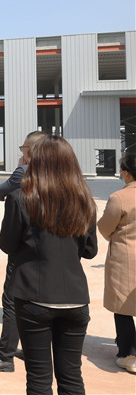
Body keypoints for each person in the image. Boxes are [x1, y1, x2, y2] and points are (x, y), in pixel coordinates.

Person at [0, 135, 97, 395]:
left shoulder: (20, 198)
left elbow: (7, 244)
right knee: (72, 378)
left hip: (34, 297)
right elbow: (90, 251)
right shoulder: (84, 199)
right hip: (75, 298)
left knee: (39, 380)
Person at [0, 130, 46, 373]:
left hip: (24, 247)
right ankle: (33, 347)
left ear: (30, 151)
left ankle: (5, 354)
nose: (21, 153)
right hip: (51, 250)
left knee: (12, 300)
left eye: (23, 149)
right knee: (38, 299)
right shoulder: (60, 174)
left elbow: (0, 192)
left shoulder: (24, 171)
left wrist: (20, 167)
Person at [97, 153, 136, 374]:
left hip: (125, 258)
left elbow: (104, 227)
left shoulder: (118, 197)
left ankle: (128, 354)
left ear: (126, 173)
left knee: (123, 307)